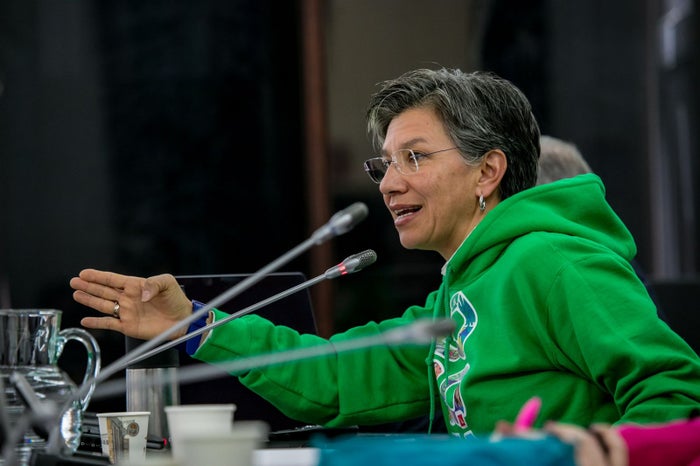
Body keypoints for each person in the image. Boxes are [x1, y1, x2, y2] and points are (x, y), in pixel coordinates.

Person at [70, 68, 700, 441]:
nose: (389, 184)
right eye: (386, 164)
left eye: (415, 158)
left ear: (488, 171)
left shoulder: (554, 263)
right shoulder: (460, 291)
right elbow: (338, 376)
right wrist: (194, 323)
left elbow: (677, 395)